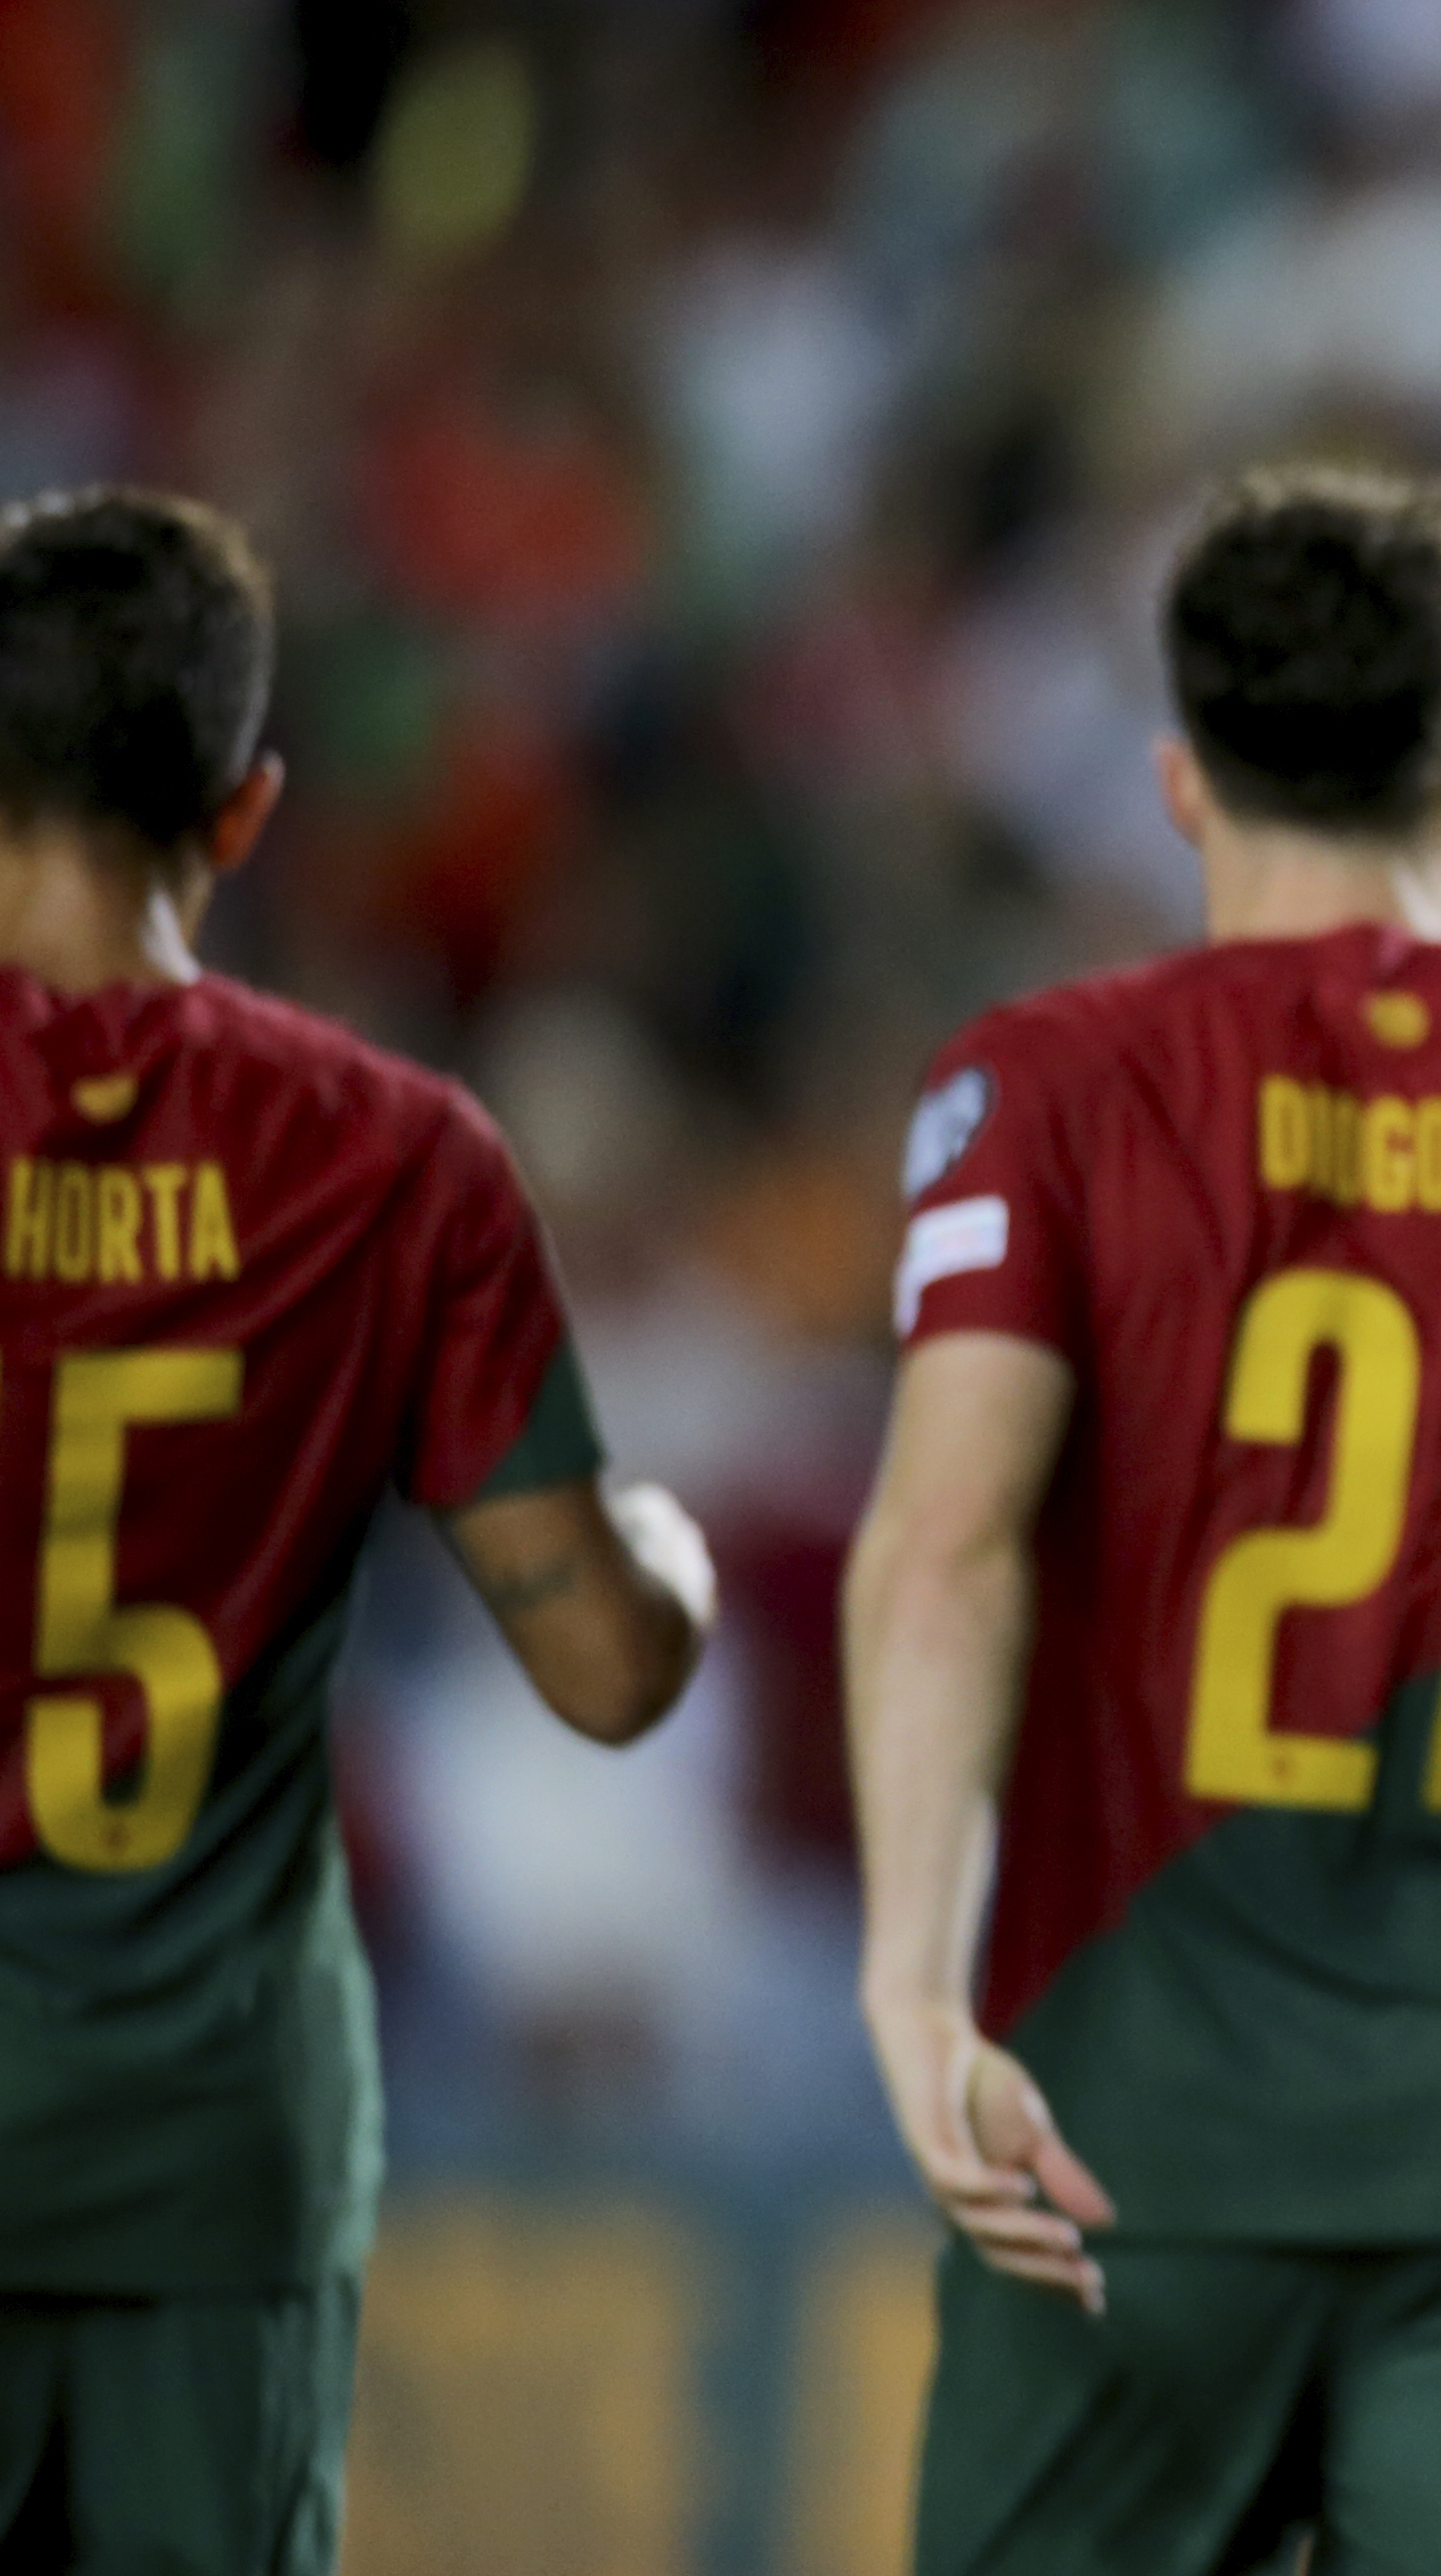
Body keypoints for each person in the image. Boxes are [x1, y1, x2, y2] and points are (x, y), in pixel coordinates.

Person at [849, 462, 1441, 2575]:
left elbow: (945, 1535)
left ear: (1178, 781)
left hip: (1118, 2134)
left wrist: (912, 1985)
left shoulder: (1046, 1083)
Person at [0, 488, 716, 2569]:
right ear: (245, 810)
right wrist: (657, 1541)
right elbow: (602, 1671)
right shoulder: (396, 1161)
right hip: (208, 2141)